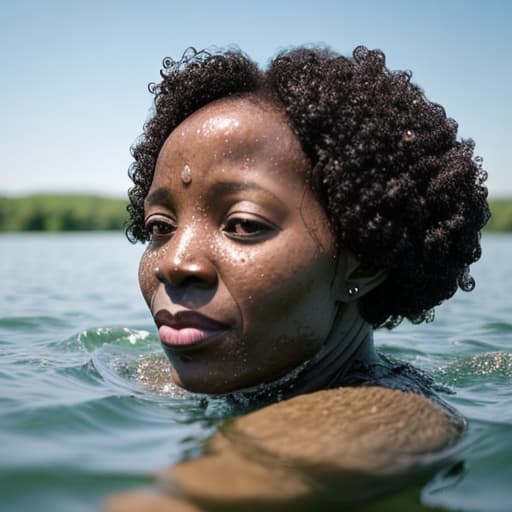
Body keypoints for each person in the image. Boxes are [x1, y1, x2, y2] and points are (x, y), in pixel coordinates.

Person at [111, 45, 489, 510]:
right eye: (159, 228)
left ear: (364, 262)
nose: (174, 261)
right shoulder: (164, 375)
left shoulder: (383, 413)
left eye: (243, 224)